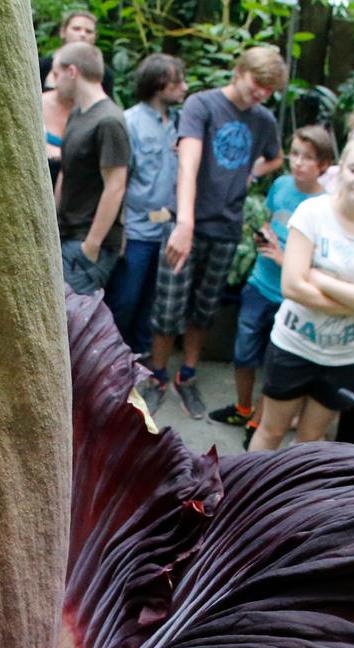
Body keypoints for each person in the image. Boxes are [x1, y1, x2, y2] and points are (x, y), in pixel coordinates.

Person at [138, 46, 286, 419]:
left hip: (226, 226)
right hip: (188, 222)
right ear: (239, 71)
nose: (262, 93)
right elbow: (188, 164)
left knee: (204, 310)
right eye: (258, 83)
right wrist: (185, 223)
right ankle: (156, 377)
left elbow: (277, 157)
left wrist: (254, 171)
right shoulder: (202, 105)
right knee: (168, 307)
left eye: (269, 88)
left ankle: (186, 376)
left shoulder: (264, 120)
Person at [247, 137, 354, 451]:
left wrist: (320, 279)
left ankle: (294, 500)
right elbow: (292, 285)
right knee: (271, 431)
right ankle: (244, 496)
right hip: (293, 345)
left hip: (342, 357)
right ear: (340, 170)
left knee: (310, 442)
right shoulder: (312, 213)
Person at [208, 124, 334, 429]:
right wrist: (262, 235)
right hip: (259, 284)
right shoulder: (280, 186)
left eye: (308, 157)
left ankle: (260, 421)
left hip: (290, 296)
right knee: (243, 351)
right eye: (295, 154)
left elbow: (321, 260)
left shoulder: (325, 207)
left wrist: (284, 258)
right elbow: (268, 218)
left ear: (324, 165)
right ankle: (243, 406)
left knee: (275, 362)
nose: (299, 162)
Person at [103, 54, 186, 354]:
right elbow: (118, 181)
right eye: (178, 81)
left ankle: (142, 360)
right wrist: (120, 229)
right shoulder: (130, 122)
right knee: (125, 299)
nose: (184, 87)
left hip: (167, 232)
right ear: (158, 83)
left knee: (153, 302)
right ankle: (111, 359)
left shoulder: (180, 123)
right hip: (137, 230)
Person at [51, 43, 129, 296]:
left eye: (56, 74)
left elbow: (116, 186)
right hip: (65, 234)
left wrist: (91, 246)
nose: (54, 82)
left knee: (69, 320)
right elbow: (66, 169)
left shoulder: (109, 120)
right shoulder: (78, 114)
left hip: (88, 242)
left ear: (72, 71)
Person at [37, 10, 115, 98]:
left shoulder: (103, 73)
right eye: (76, 29)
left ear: (95, 37)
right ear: (63, 32)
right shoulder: (41, 67)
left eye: (89, 31)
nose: (82, 34)